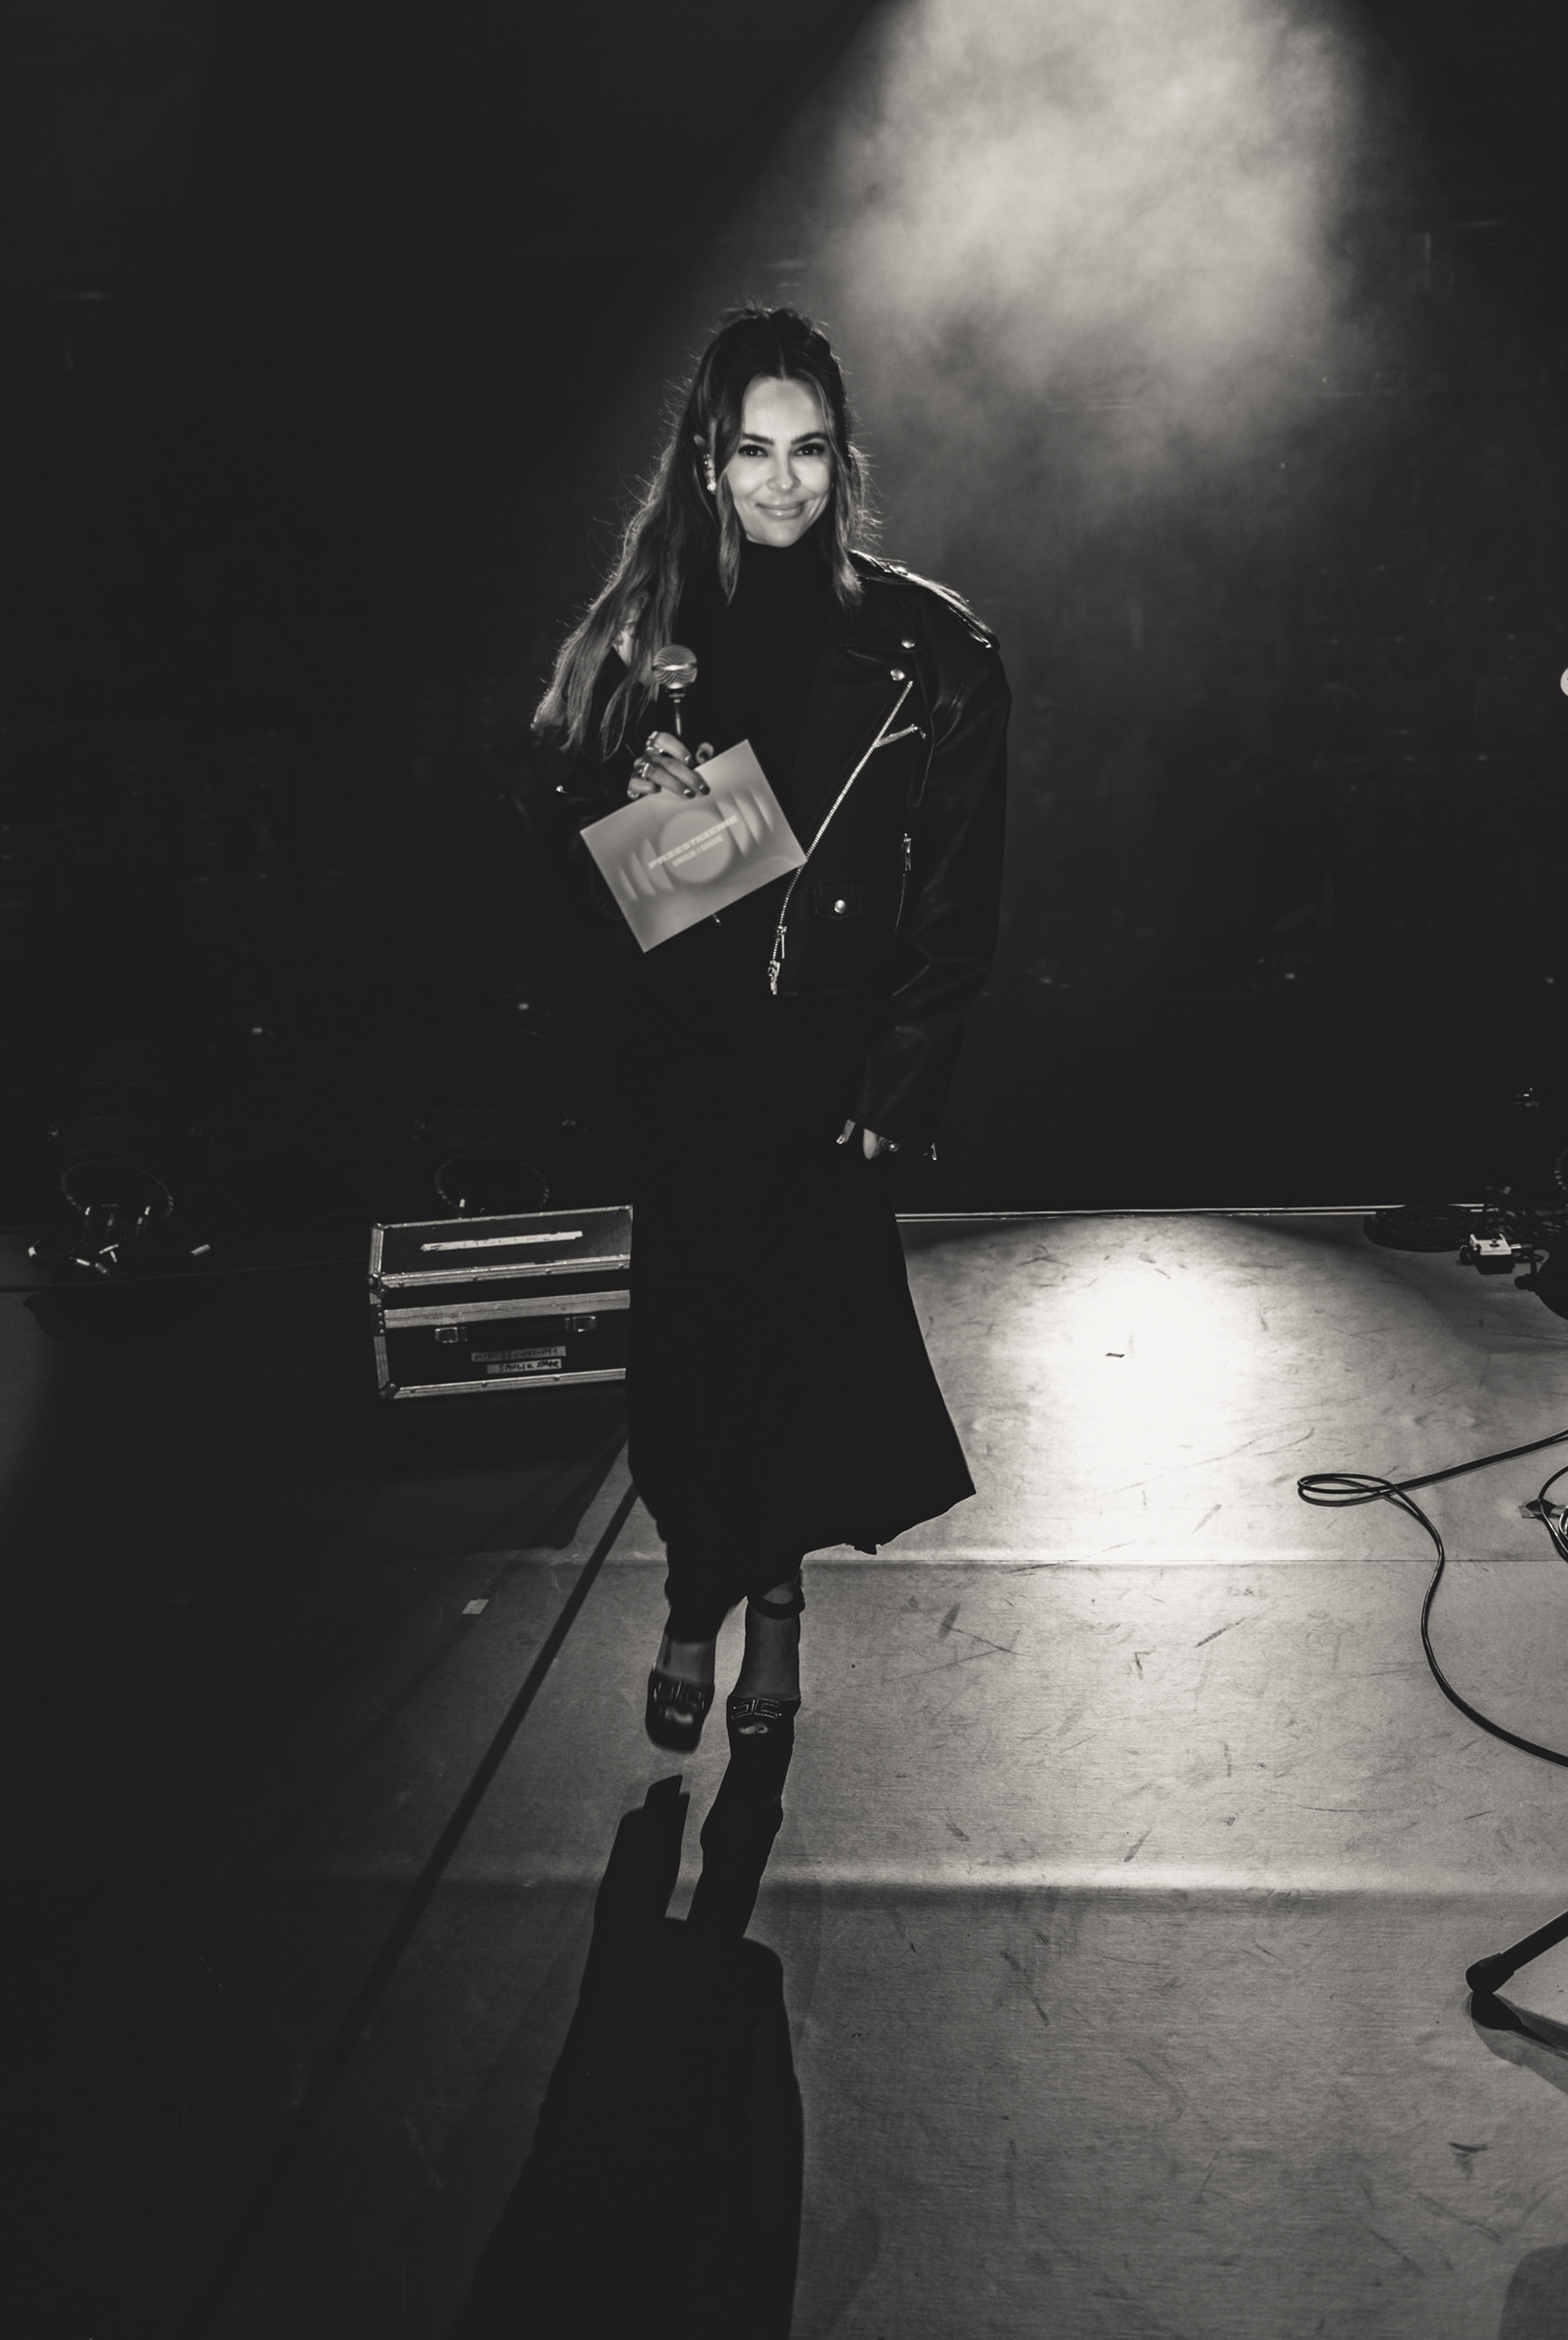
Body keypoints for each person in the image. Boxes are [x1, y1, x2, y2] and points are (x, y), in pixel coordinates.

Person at [534, 305, 1008, 1926]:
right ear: (707, 459)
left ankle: (759, 1615)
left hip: (824, 1074)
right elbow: (573, 852)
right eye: (753, 450)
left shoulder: (934, 651)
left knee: (793, 1355)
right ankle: (705, 1593)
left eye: (809, 450)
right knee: (691, 1354)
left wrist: (898, 1084)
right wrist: (634, 797)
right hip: (687, 1064)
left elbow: (958, 896)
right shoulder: (647, 628)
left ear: (842, 458)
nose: (783, 480)